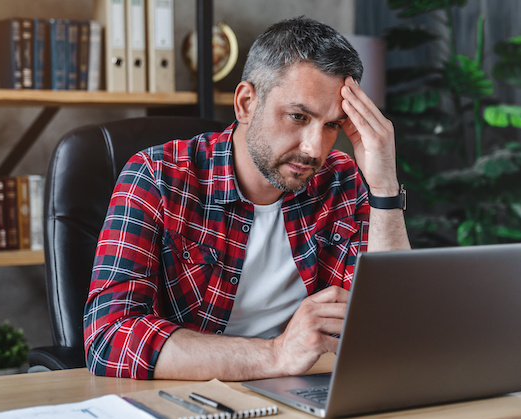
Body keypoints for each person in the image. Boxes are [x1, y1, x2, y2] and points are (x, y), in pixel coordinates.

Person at [84, 16, 410, 381]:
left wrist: (384, 188)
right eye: (298, 116)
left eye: (332, 125)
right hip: (191, 399)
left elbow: (389, 327)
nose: (314, 147)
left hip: (303, 395)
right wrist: (276, 354)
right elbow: (109, 337)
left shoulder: (339, 179)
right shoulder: (157, 176)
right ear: (245, 103)